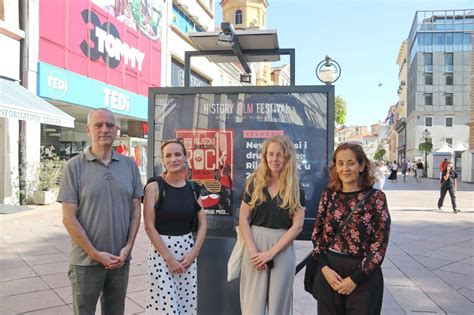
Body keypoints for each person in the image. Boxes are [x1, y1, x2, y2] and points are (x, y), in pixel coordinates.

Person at [58, 108, 143, 315]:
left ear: (116, 130)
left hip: (120, 260)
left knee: (115, 311)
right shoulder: (73, 167)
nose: (105, 129)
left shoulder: (129, 165)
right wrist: (95, 254)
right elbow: (68, 218)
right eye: (98, 125)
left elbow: (135, 211)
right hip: (85, 262)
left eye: (110, 125)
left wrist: (128, 248)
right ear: (88, 130)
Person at [311, 142, 391, 315]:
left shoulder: (376, 198)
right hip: (330, 275)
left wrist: (355, 279)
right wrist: (324, 268)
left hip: (364, 278)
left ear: (362, 166)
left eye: (351, 163)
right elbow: (317, 235)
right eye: (340, 163)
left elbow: (379, 244)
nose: (345, 168)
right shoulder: (328, 196)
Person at [239, 135, 306, 314]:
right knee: (252, 305)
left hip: (282, 247)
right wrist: (254, 252)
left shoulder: (295, 186)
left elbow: (297, 226)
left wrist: (271, 253)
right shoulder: (254, 182)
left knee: (279, 306)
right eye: (270, 154)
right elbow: (243, 218)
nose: (274, 159)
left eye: (279, 155)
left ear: (287, 157)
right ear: (264, 156)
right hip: (254, 244)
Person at [143, 139, 207, 314]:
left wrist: (194, 253)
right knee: (166, 308)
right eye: (168, 156)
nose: (174, 159)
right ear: (163, 160)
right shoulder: (154, 186)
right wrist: (169, 259)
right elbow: (149, 226)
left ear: (186, 157)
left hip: (187, 253)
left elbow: (203, 223)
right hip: (162, 254)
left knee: (185, 306)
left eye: (178, 154)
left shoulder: (193, 188)